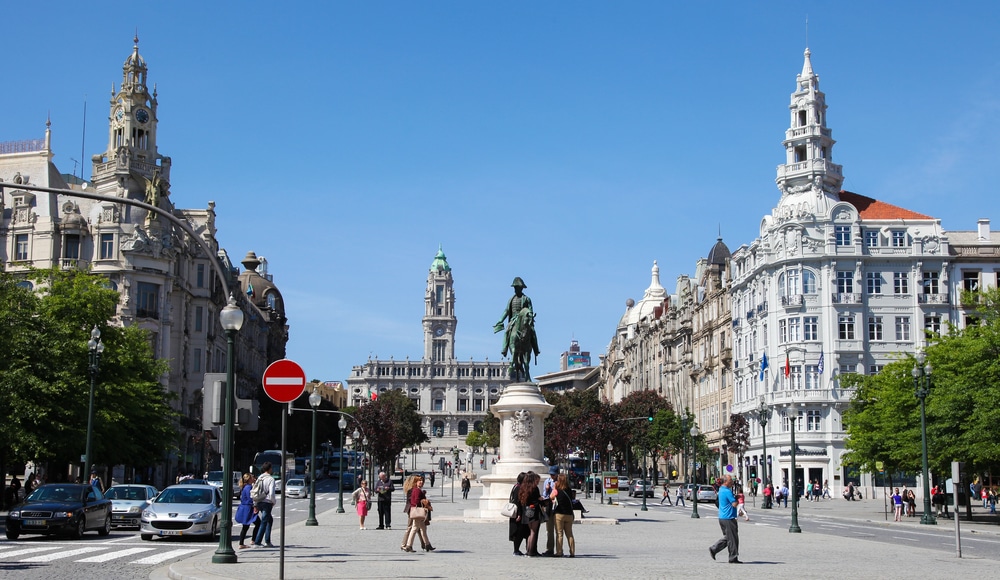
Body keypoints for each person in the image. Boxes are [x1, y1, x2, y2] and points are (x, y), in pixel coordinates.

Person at [493, 277, 540, 382]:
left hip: (525, 320)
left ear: (521, 288)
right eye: (514, 287)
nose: (515, 289)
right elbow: (506, 311)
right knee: (507, 331)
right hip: (514, 320)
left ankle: (536, 349)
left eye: (517, 287)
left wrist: (529, 316)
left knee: (532, 332)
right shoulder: (511, 299)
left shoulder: (527, 299)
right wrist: (500, 320)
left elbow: (531, 310)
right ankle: (504, 348)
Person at [709, 475, 742, 564]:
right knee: (733, 538)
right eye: (731, 480)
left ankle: (714, 549)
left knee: (728, 537)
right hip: (728, 517)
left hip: (722, 517)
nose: (732, 482)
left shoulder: (721, 490)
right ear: (726, 482)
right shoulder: (727, 491)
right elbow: (734, 504)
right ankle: (732, 557)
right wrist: (737, 499)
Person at [402, 474, 434, 552]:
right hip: (418, 511)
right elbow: (416, 501)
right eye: (419, 481)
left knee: (423, 528)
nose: (421, 482)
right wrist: (423, 501)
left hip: (417, 510)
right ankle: (409, 545)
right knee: (414, 528)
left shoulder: (418, 490)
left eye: (422, 481)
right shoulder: (416, 490)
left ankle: (427, 544)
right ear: (415, 482)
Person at [550, 473, 576, 557]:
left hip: (559, 514)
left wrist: (554, 488)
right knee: (569, 534)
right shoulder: (569, 490)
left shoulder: (557, 490)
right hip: (569, 514)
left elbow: (551, 497)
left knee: (559, 533)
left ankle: (559, 552)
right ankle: (572, 552)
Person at [519, 471, 543, 557]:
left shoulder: (524, 488)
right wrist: (540, 500)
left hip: (526, 510)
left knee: (530, 532)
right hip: (534, 510)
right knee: (533, 532)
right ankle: (531, 552)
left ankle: (528, 550)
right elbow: (536, 500)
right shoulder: (534, 488)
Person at [253, 462, 276, 547]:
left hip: (259, 501)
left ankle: (267, 540)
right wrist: (273, 501)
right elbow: (272, 493)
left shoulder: (260, 478)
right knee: (264, 521)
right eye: (271, 468)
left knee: (269, 520)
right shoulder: (271, 479)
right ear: (269, 469)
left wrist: (255, 503)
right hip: (267, 502)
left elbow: (255, 490)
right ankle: (258, 541)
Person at [235, 473, 259, 549]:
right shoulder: (248, 487)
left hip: (245, 507)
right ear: (249, 479)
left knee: (246, 525)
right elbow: (250, 498)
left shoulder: (245, 487)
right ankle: (251, 540)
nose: (253, 478)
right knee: (255, 523)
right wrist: (254, 506)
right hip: (248, 508)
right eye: (252, 477)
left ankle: (243, 542)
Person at [509, 473, 529, 556]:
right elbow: (518, 502)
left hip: (515, 513)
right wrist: (519, 514)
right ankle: (516, 550)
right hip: (517, 513)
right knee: (518, 532)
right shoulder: (519, 488)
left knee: (518, 532)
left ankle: (516, 550)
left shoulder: (515, 486)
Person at [542, 466, 558, 556]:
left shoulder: (560, 482)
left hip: (557, 508)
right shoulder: (547, 481)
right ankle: (549, 549)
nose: (552, 476)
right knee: (549, 530)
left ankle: (559, 550)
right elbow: (544, 495)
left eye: (553, 474)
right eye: (551, 474)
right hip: (549, 507)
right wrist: (547, 490)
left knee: (558, 531)